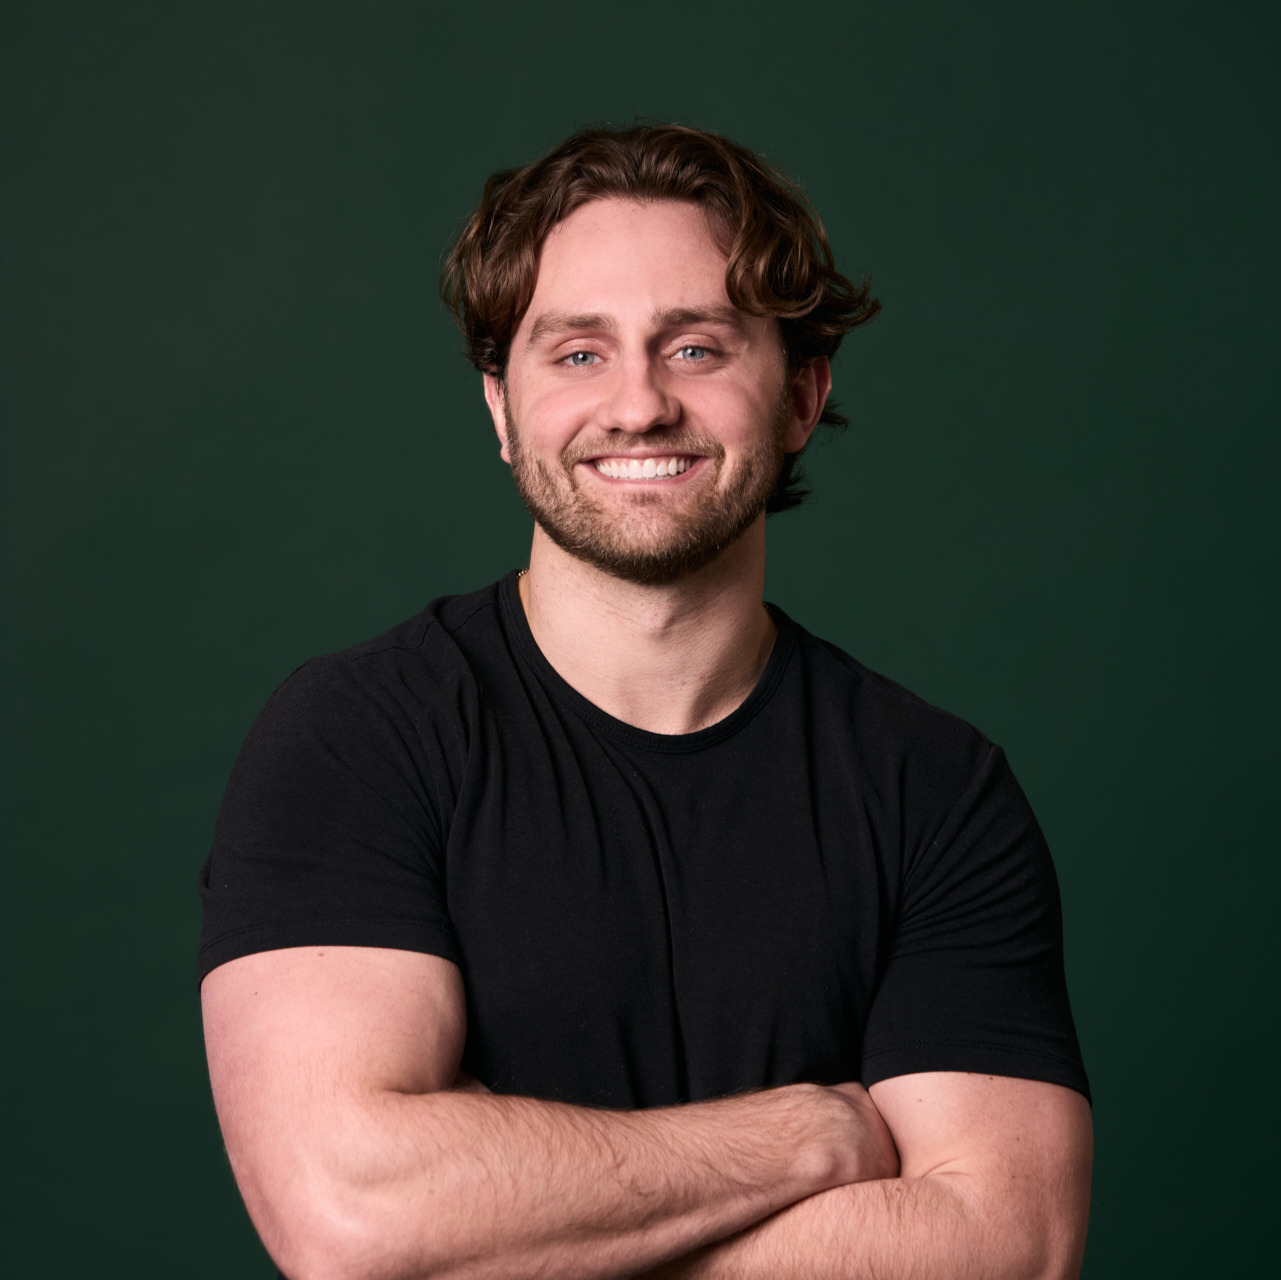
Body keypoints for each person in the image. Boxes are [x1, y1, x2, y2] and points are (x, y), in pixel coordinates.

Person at [199, 124, 1092, 1280]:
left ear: (802, 395)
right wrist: (809, 1135)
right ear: (501, 407)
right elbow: (354, 1216)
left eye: (697, 348)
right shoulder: (360, 736)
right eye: (577, 353)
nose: (637, 406)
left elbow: (1009, 1246)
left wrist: (513, 1230)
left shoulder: (936, 788)